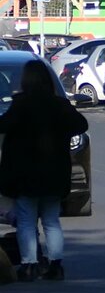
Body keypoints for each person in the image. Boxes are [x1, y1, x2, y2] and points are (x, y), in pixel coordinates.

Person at [0, 60, 88, 281]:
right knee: (51, 220)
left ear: (26, 81)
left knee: (27, 220)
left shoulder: (21, 105)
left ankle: (29, 264)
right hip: (54, 173)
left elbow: (3, 126)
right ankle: (55, 265)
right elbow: (81, 125)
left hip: (25, 175)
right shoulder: (59, 105)